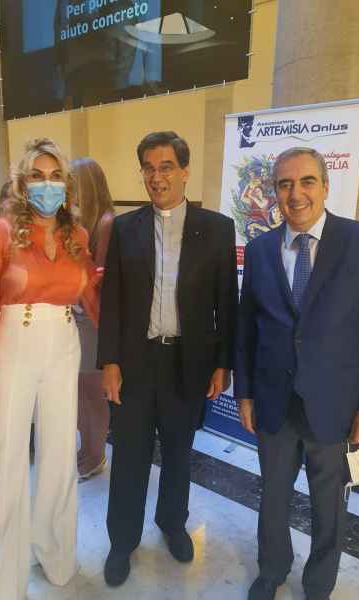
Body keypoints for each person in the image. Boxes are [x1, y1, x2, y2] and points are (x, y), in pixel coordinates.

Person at [234, 147, 359, 600]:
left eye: (307, 181)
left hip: (335, 407)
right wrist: (244, 393)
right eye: (285, 184)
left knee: (329, 504)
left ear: (325, 187)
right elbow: (246, 328)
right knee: (273, 497)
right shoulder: (261, 249)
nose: (296, 193)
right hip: (274, 402)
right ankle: (272, 570)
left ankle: (319, 584)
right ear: (274, 192)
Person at [0, 138, 101, 600]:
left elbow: (92, 293)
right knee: (7, 456)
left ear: (67, 185)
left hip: (64, 344)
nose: (47, 185)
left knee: (59, 454)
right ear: (21, 183)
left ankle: (55, 555)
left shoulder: (77, 237)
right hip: (14, 344)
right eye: (37, 176)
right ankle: (0, 581)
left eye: (55, 176)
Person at [98, 131, 238, 586]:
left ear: (184, 171)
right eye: (148, 168)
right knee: (130, 456)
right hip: (135, 364)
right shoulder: (125, 228)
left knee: (179, 452)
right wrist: (110, 362)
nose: (156, 177)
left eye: (166, 167)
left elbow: (226, 302)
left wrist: (223, 363)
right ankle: (122, 541)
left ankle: (173, 523)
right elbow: (112, 300)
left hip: (188, 362)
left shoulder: (217, 228)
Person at [71, 157, 114, 480]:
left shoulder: (106, 221)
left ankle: (95, 453)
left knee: (91, 392)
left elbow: (101, 275)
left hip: (92, 318)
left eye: (72, 183)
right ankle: (86, 448)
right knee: (78, 391)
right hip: (74, 314)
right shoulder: (82, 219)